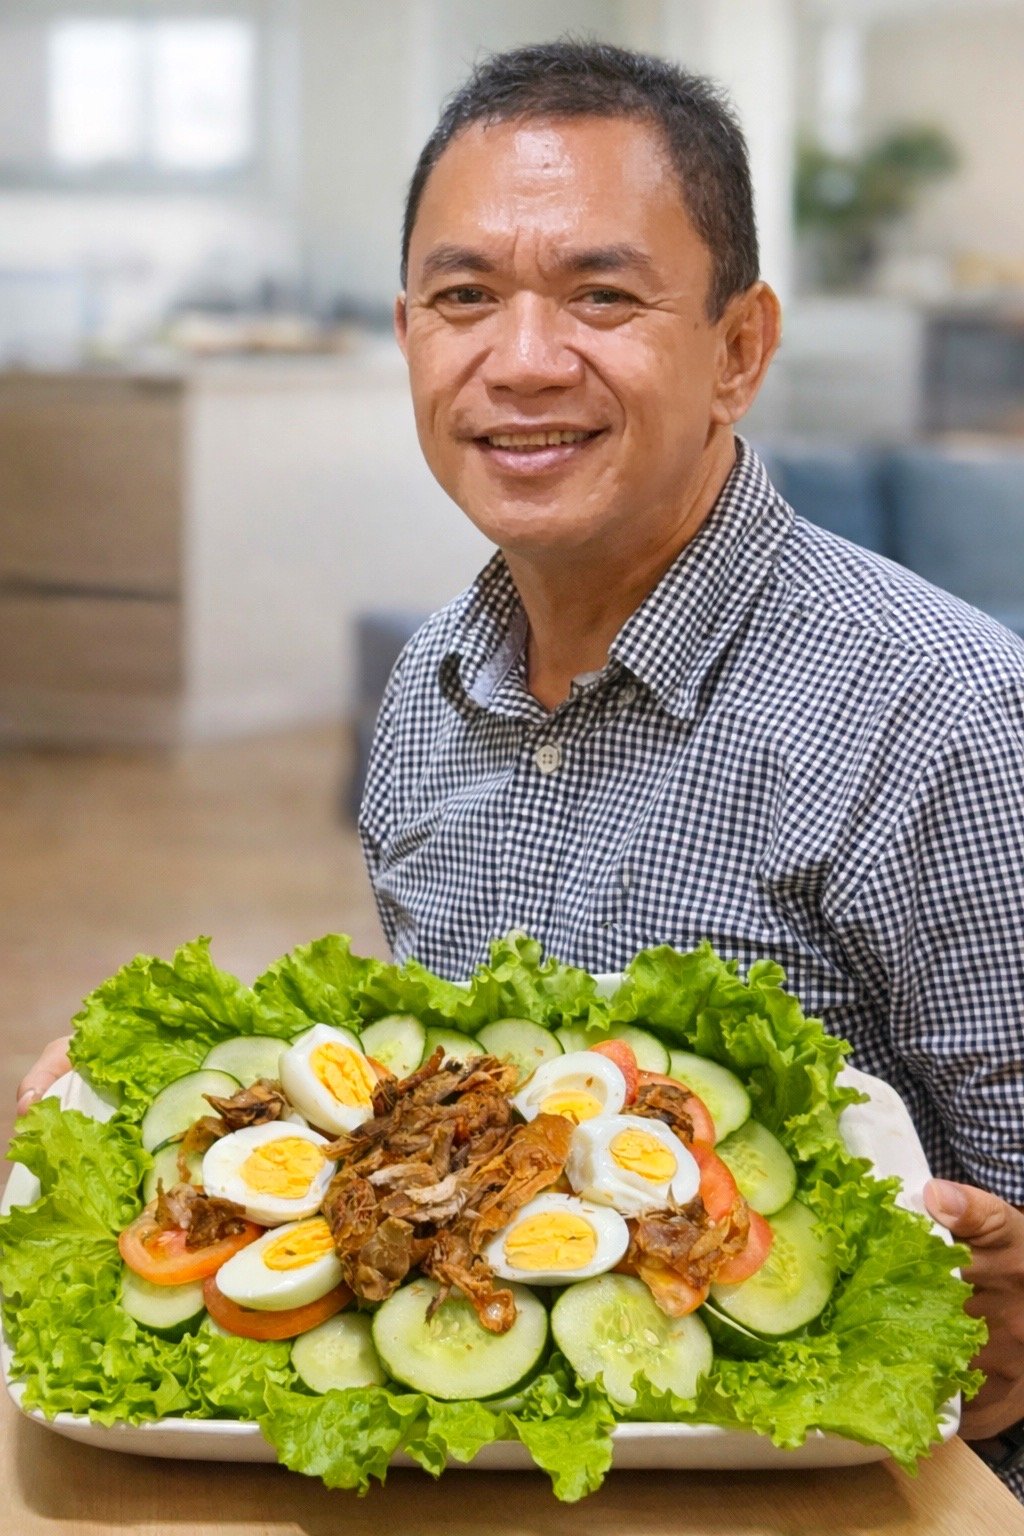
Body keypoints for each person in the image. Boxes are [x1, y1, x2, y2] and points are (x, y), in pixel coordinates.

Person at [17, 40, 1024, 1490]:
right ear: (410, 332)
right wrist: (137, 1123)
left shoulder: (944, 714)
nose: (524, 358)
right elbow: (451, 1121)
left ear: (740, 346)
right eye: (465, 297)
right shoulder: (428, 695)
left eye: (603, 295)